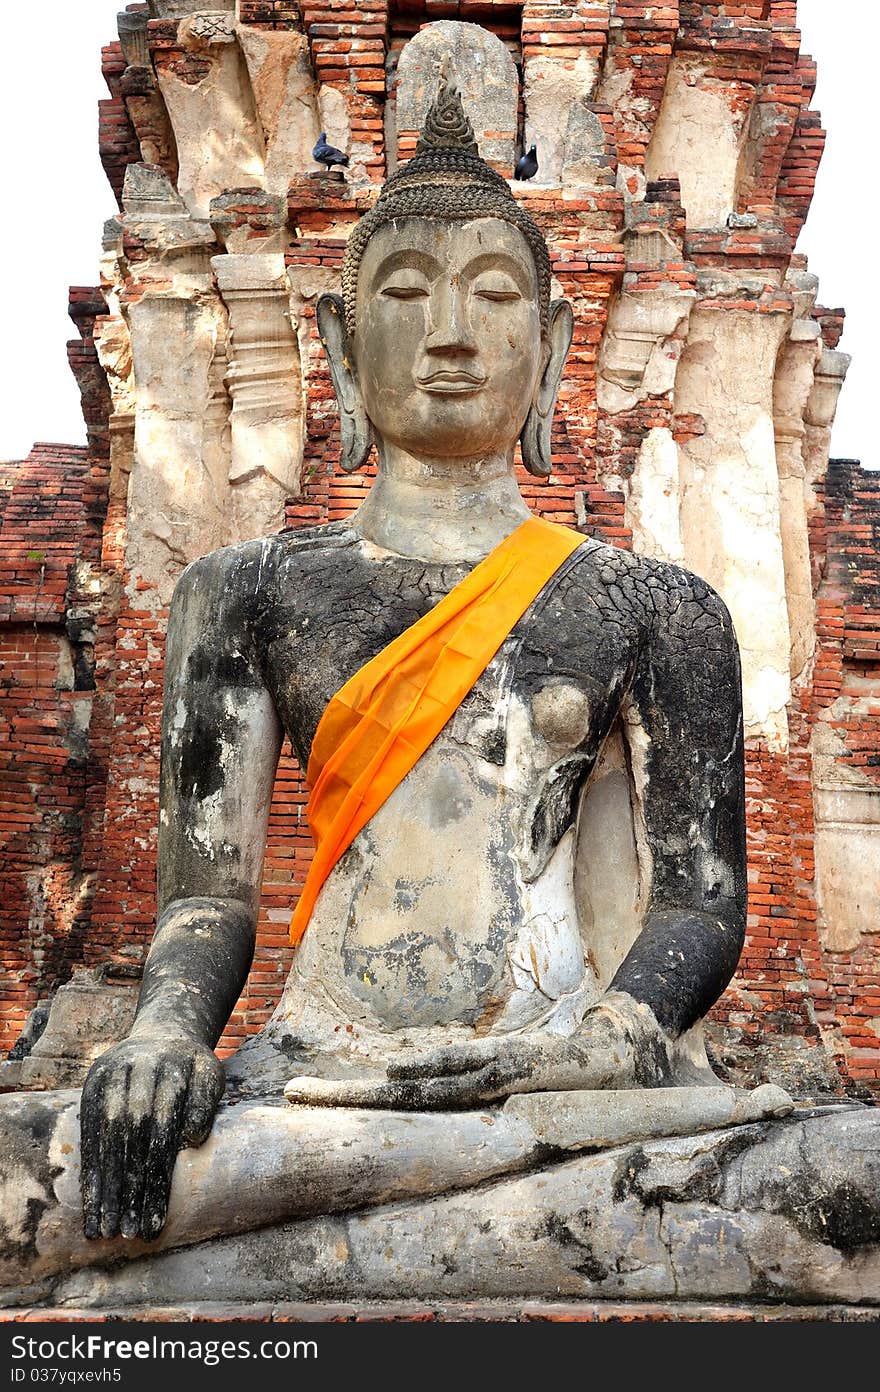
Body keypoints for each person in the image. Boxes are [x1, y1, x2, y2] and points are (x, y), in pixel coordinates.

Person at [77, 80, 746, 1246]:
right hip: (313, 1076)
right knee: (33, 1178)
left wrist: (619, 1034)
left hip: (555, 1084)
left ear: (551, 343)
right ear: (338, 345)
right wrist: (164, 1038)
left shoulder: (657, 605)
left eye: (494, 295)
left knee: (844, 1182)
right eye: (404, 293)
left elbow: (698, 901)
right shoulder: (245, 592)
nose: (449, 332)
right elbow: (203, 896)